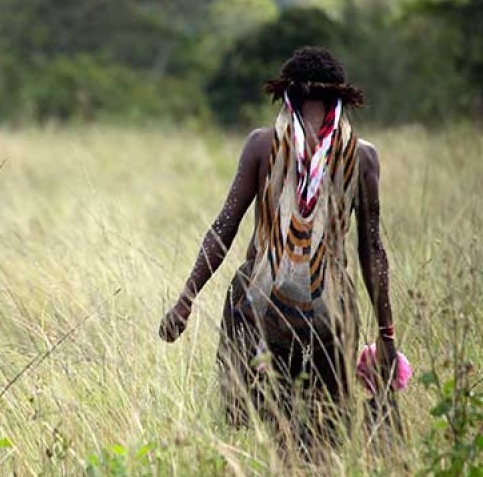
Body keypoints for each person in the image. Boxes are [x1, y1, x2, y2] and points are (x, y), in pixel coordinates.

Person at [159, 47, 399, 444]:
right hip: (331, 313)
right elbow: (371, 250)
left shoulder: (261, 145)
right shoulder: (363, 157)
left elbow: (224, 227)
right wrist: (386, 336)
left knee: (261, 436)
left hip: (257, 307)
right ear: (342, 101)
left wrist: (186, 300)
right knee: (324, 438)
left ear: (286, 97)